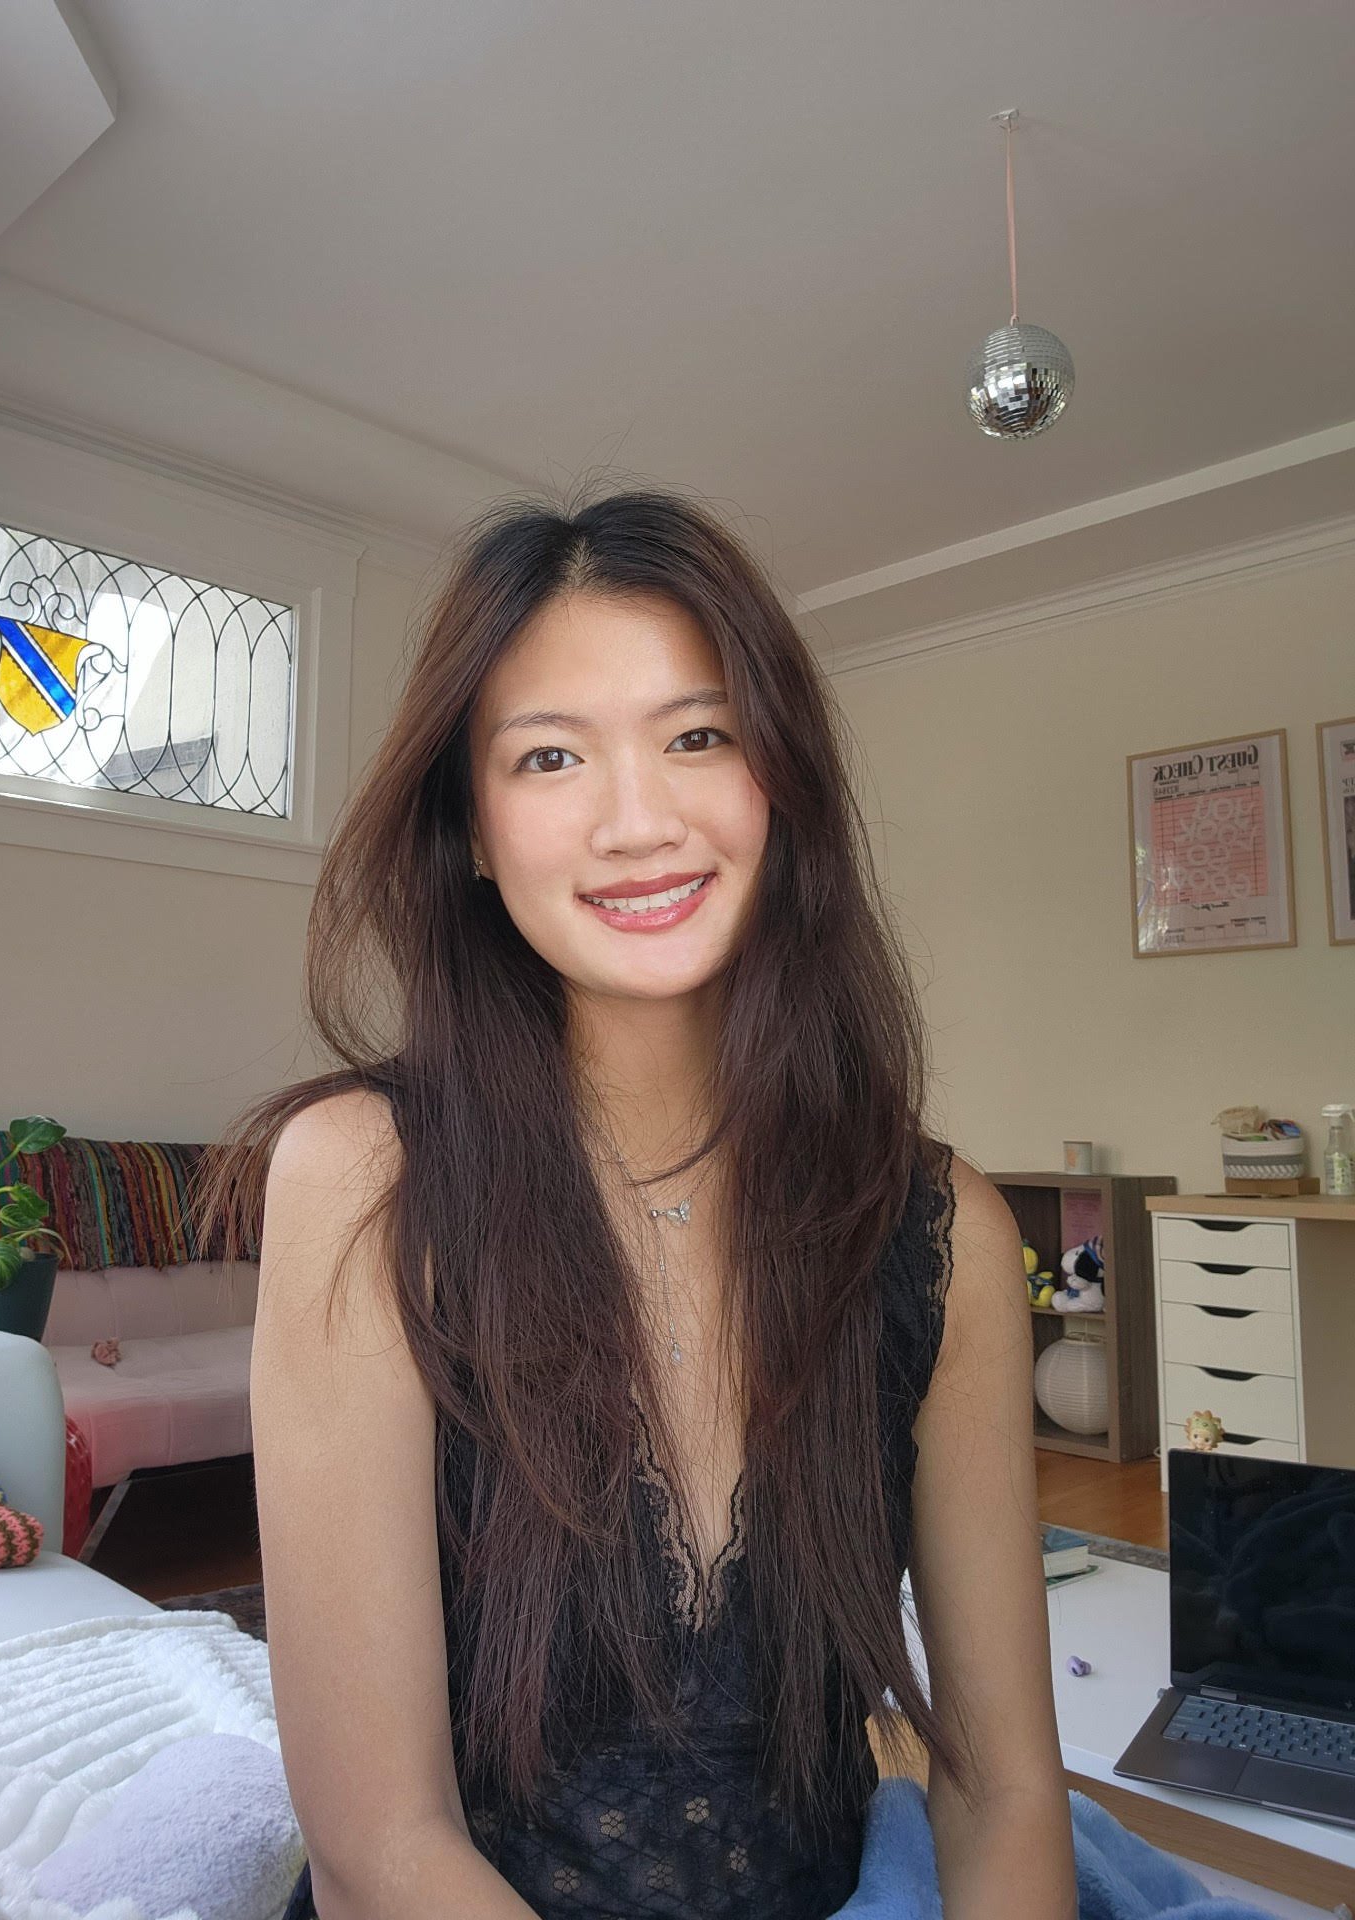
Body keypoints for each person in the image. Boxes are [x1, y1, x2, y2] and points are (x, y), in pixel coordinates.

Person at [196, 486, 1077, 1919]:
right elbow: (380, 1845)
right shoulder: (366, 1181)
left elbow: (1005, 1791)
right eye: (549, 757)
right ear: (473, 831)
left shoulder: (943, 1231)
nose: (637, 821)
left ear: (780, 780)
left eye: (698, 737)